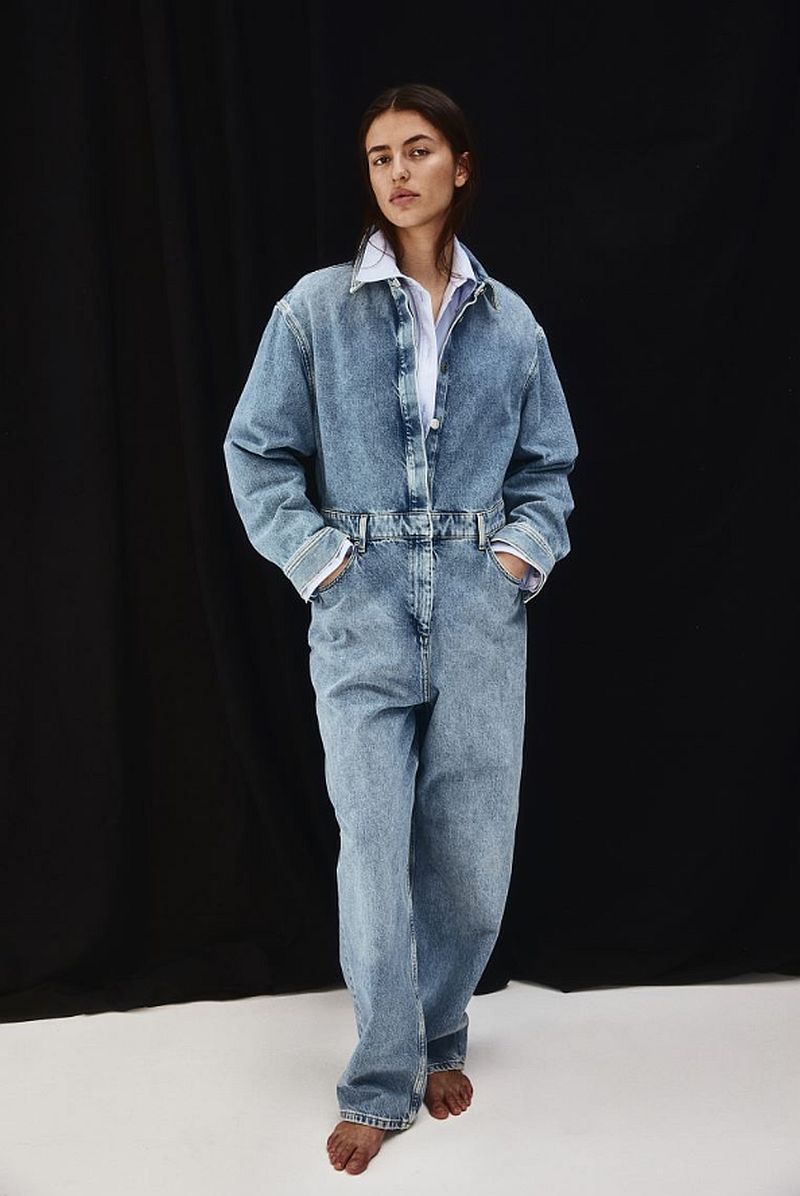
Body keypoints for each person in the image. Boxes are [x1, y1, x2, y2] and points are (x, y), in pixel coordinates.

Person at [223, 82, 579, 1176]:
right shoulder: (312, 311)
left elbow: (549, 469)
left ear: (459, 167)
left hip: (477, 604)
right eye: (379, 157)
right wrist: (325, 564)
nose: (397, 172)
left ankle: (437, 1031)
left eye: (417, 150)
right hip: (363, 605)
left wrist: (515, 556)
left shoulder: (511, 323)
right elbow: (256, 452)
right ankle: (381, 1081)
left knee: (470, 851)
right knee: (373, 845)